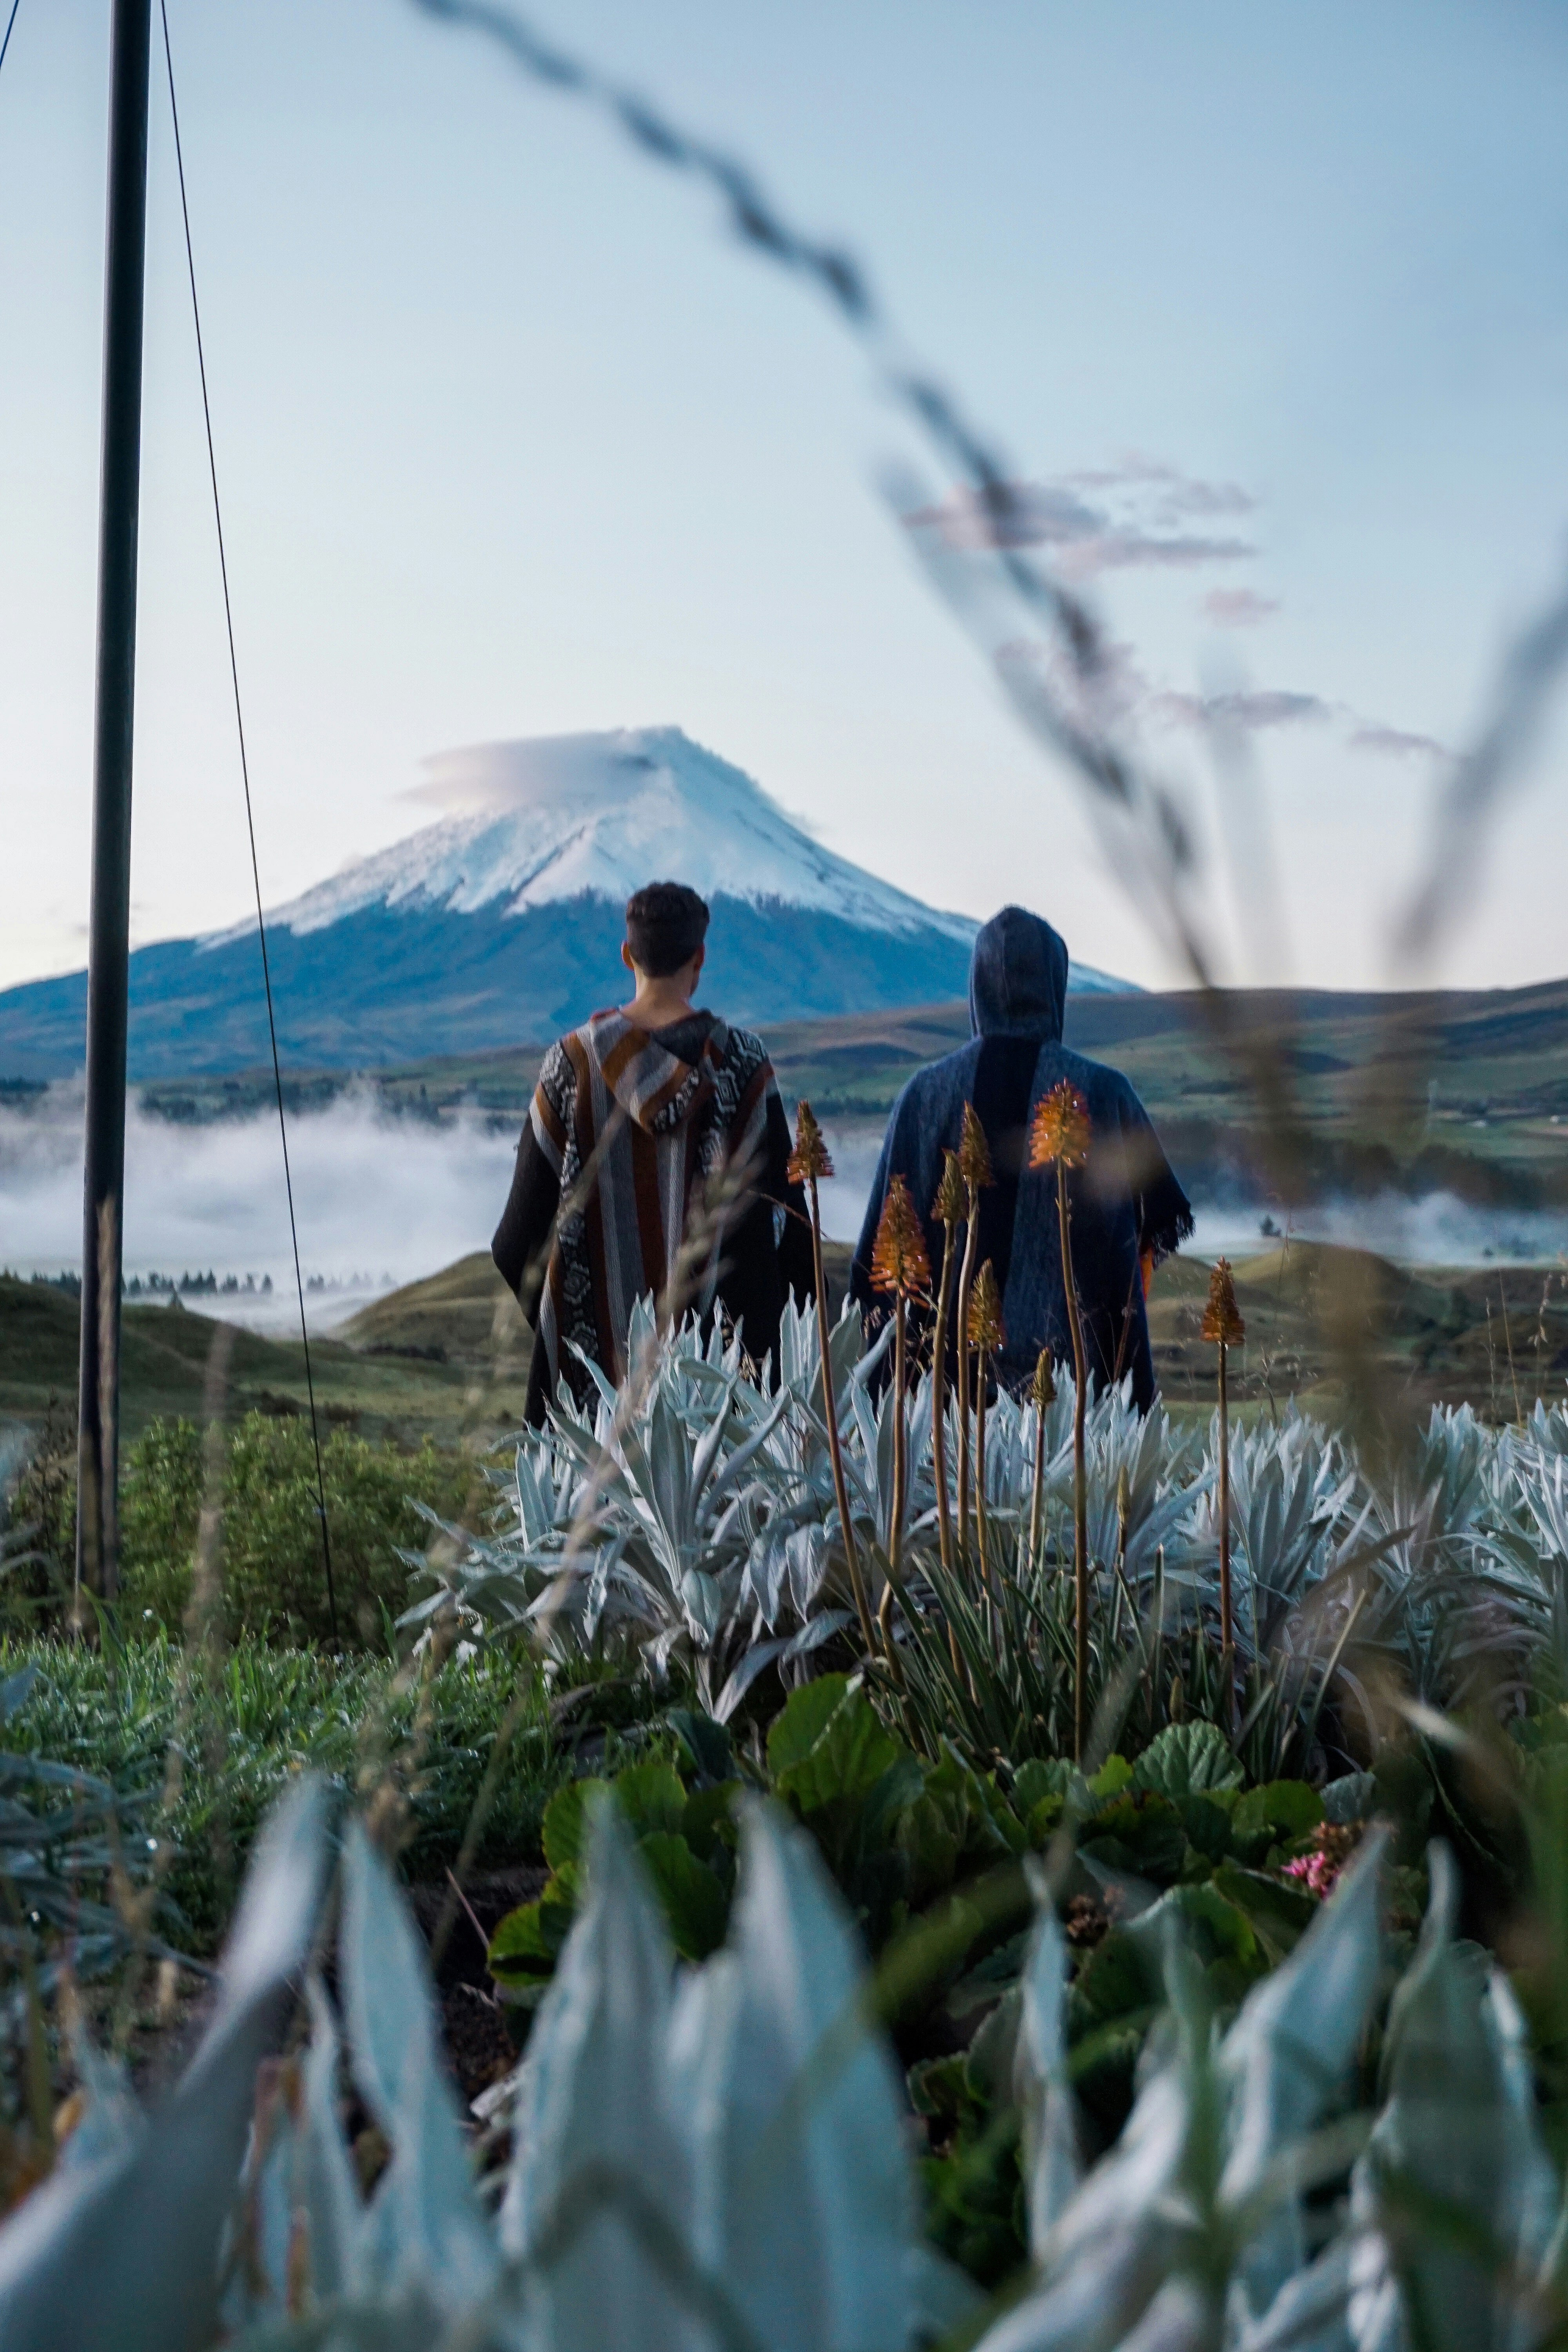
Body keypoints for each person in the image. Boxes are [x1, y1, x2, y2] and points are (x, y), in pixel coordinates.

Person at [493, 880, 814, 1423]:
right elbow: (791, 1240)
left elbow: (514, 1243)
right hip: (726, 1416)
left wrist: (577, 1338)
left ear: (627, 956)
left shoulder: (570, 1066)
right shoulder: (742, 1066)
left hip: (592, 1423)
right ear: (700, 958)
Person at [851, 905, 1191, 1411]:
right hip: (1067, 1409)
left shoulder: (922, 1097)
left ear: (977, 989)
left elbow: (877, 1266)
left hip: (933, 1414)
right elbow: (1145, 1241)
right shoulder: (1104, 1093)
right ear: (1056, 986)